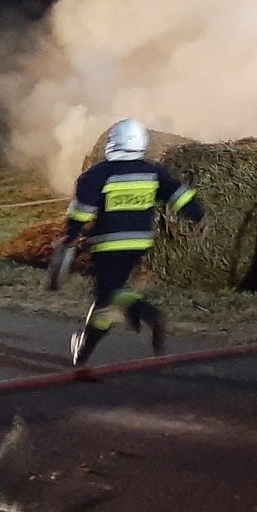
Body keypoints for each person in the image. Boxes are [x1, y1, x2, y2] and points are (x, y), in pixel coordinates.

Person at [60, 118, 207, 366]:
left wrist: (71, 235)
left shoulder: (97, 174)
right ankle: (84, 350)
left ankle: (146, 314)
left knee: (108, 297)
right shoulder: (152, 171)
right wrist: (199, 216)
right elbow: (177, 194)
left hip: (107, 244)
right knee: (107, 297)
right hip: (138, 243)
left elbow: (83, 211)